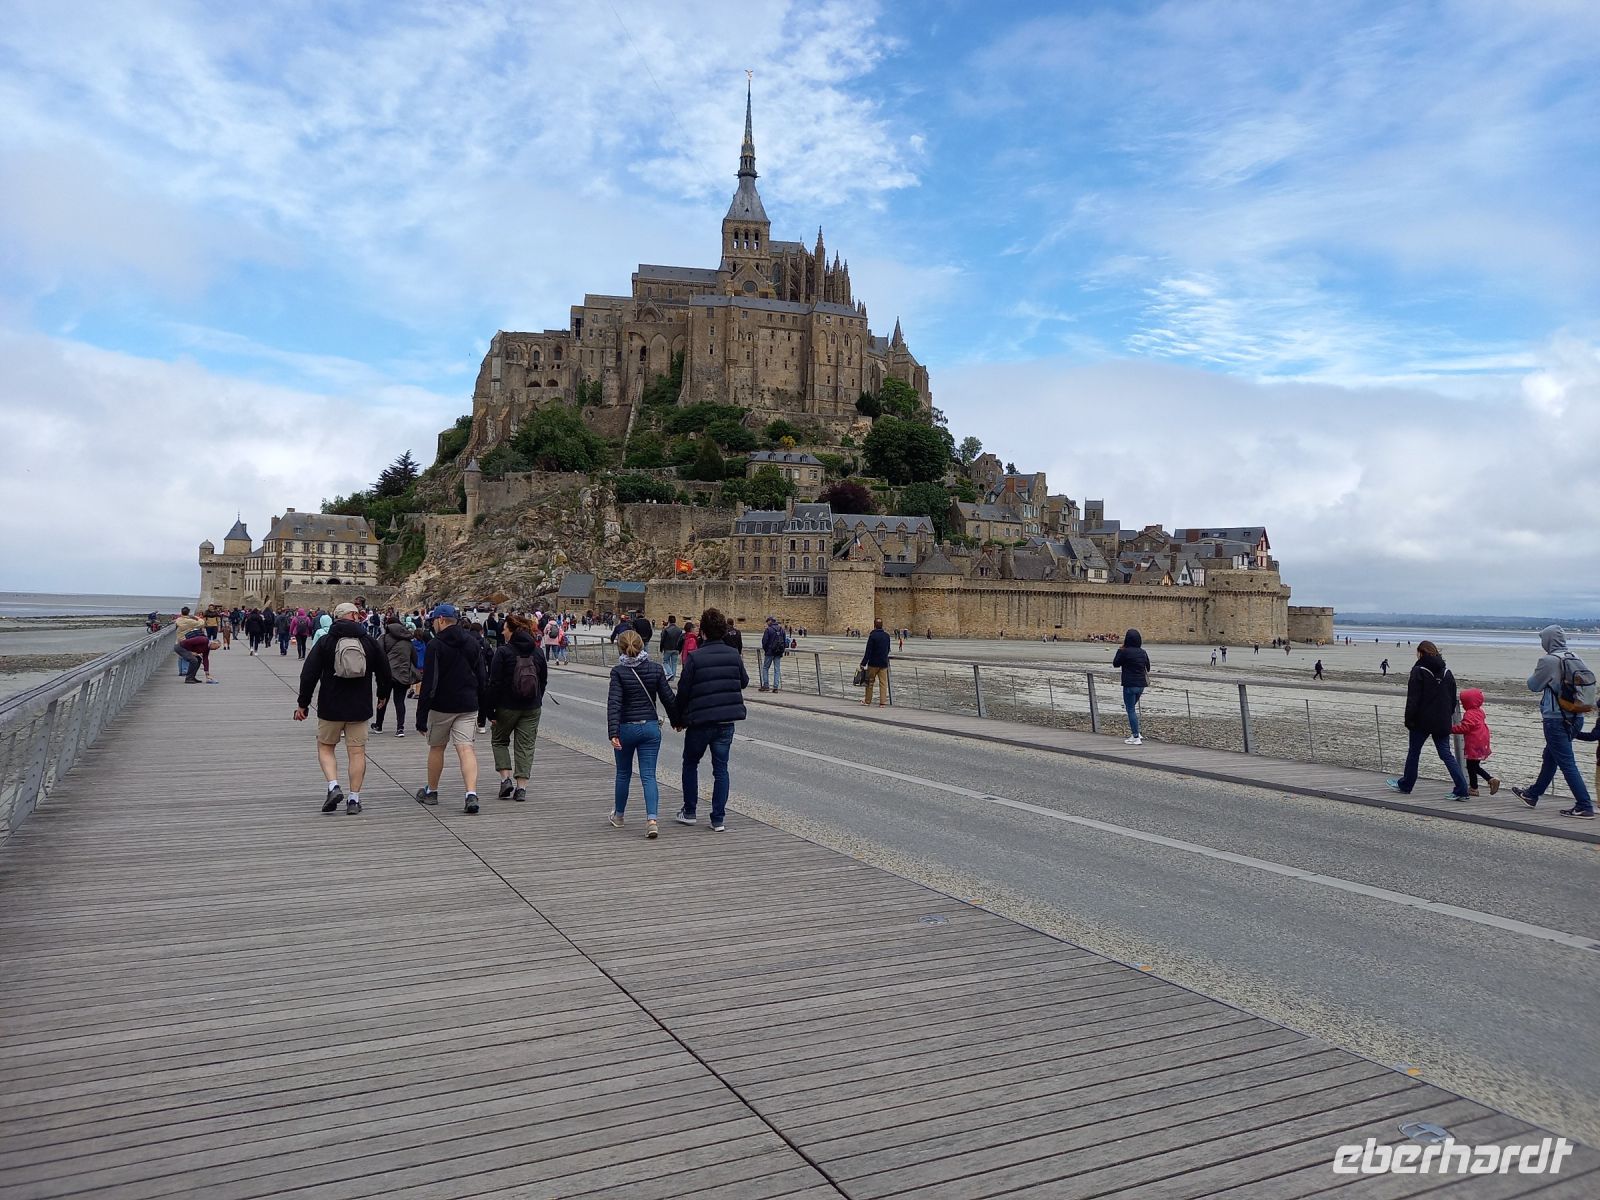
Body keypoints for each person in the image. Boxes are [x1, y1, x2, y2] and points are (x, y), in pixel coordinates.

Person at [294, 602, 391, 815]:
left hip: (331, 705)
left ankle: (333, 785)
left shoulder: (326, 641)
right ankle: (354, 799)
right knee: (357, 753)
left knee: (326, 747)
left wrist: (303, 703)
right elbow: (385, 671)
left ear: (336, 617)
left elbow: (308, 674)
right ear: (355, 616)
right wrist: (382, 695)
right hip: (359, 707)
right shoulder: (369, 641)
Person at [671, 607, 747, 833]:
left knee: (690, 763)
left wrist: (677, 718)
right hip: (725, 722)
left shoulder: (695, 658)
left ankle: (690, 810)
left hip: (700, 721)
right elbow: (743, 682)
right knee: (721, 769)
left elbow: (683, 692)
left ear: (702, 632)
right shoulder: (734, 655)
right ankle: (718, 818)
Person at [1512, 626, 1595, 818]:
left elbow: (1533, 685)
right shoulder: (1575, 656)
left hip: (1556, 719)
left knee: (1566, 763)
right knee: (1550, 757)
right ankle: (1532, 795)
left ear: (1548, 641)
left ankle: (1584, 805)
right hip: (1577, 716)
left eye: (1543, 639)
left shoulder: (1548, 660)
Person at [413, 604, 486, 814]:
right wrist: (483, 708)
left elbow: (429, 682)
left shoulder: (436, 645)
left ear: (442, 620)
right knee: (466, 748)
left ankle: (432, 791)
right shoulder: (472, 642)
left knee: (437, 747)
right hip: (468, 703)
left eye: (434, 621)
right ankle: (471, 793)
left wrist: (421, 714)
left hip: (442, 705)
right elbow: (482, 676)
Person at [607, 629, 674, 837]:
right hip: (650, 728)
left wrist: (613, 732)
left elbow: (614, 704)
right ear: (642, 645)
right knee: (648, 775)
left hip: (626, 727)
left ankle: (619, 815)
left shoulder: (618, 672)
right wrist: (679, 720)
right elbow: (668, 698)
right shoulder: (655, 669)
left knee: (623, 773)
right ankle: (652, 819)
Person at [1386, 641, 1471, 799]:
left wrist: (1409, 719)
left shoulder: (1418, 670)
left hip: (1421, 721)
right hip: (1442, 720)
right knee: (1446, 754)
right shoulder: (1447, 672)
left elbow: (1413, 698)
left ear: (1421, 653)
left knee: (1414, 752)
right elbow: (1452, 699)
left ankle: (1406, 784)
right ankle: (1462, 789)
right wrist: (1447, 714)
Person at [487, 613, 547, 804]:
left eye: (504, 628)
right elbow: (543, 680)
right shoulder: (537, 652)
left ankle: (505, 779)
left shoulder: (503, 652)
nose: (502, 631)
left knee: (499, 740)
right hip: (532, 706)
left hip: (507, 705)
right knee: (526, 746)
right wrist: (537, 699)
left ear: (511, 631)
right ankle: (521, 788)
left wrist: (490, 710)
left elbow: (494, 683)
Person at [371, 615, 419, 737]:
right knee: (400, 701)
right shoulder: (408, 641)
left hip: (386, 675)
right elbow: (414, 659)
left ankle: (379, 725)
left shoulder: (383, 638)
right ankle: (400, 728)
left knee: (382, 699)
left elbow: (377, 656)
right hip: (403, 674)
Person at [1451, 688, 1499, 797]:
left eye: (1464, 702)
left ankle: (1476, 786)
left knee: (1471, 766)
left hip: (1474, 742)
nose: (1463, 705)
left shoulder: (1469, 714)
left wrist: (1451, 729)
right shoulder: (1480, 712)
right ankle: (1486, 781)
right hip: (1482, 741)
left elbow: (1465, 728)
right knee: (1474, 766)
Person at [1112, 629, 1150, 745]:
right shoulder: (1143, 652)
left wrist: (1120, 650)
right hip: (1141, 685)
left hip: (1129, 684)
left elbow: (1115, 664)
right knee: (1131, 708)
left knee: (1130, 710)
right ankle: (1137, 732)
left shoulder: (1124, 652)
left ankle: (1135, 736)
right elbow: (1148, 667)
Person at [860, 618, 891, 706]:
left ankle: (867, 701)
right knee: (883, 684)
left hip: (873, 663)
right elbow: (888, 649)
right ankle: (882, 703)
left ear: (874, 625)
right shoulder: (887, 636)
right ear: (882, 625)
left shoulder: (872, 636)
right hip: (883, 663)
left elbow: (868, 651)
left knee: (870, 682)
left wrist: (863, 663)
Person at [759, 615, 787, 693]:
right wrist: (782, 650)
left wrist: (766, 650)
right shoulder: (781, 629)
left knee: (765, 668)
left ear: (770, 621)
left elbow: (764, 641)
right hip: (778, 652)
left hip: (769, 652)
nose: (767, 623)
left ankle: (766, 685)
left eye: (767, 621)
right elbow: (785, 641)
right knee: (777, 669)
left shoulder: (768, 630)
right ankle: (775, 687)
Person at [659, 615, 684, 681]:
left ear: (669, 621)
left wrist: (661, 648)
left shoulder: (666, 630)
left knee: (665, 661)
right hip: (676, 648)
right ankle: (672, 677)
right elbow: (681, 640)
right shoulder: (679, 630)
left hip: (668, 648)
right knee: (674, 663)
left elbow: (662, 639)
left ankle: (670, 673)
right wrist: (680, 649)